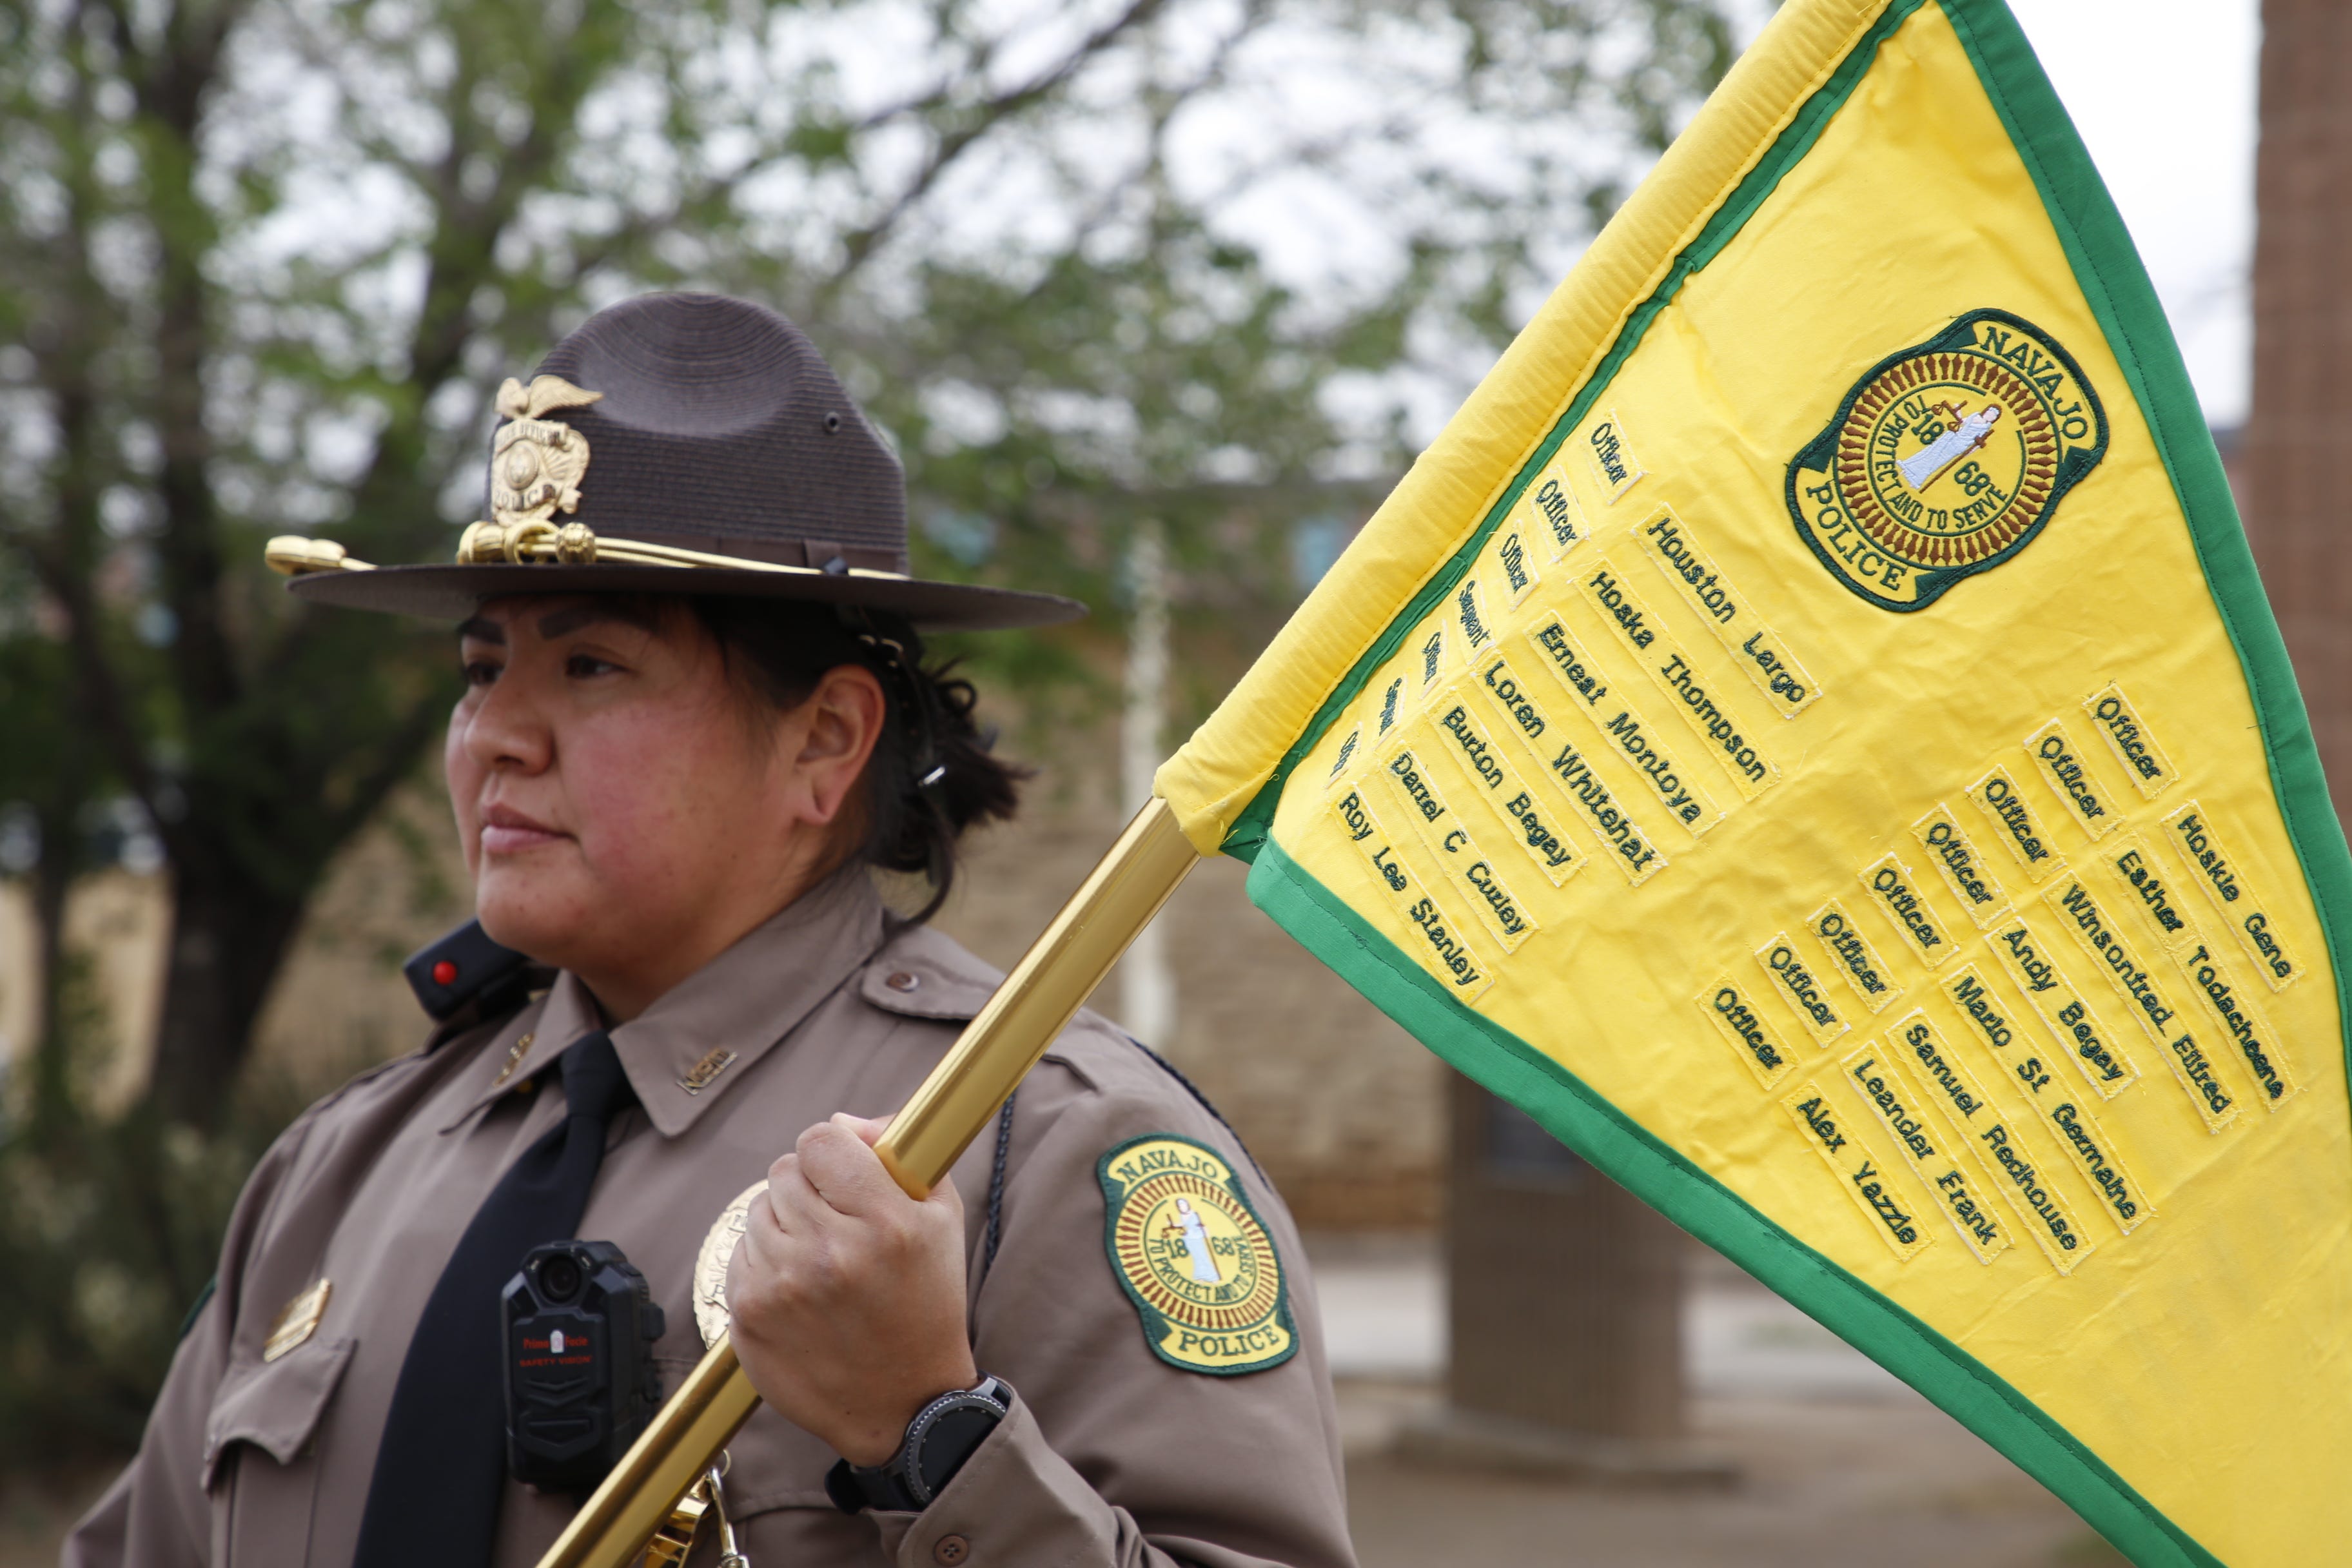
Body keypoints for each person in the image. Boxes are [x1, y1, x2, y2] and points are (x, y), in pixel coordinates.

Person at [64, 293, 1358, 1568]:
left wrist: (934, 1441)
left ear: (824, 740)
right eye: (479, 669)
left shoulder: (1045, 1146)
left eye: (591, 666)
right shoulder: (341, 1165)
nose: (497, 736)